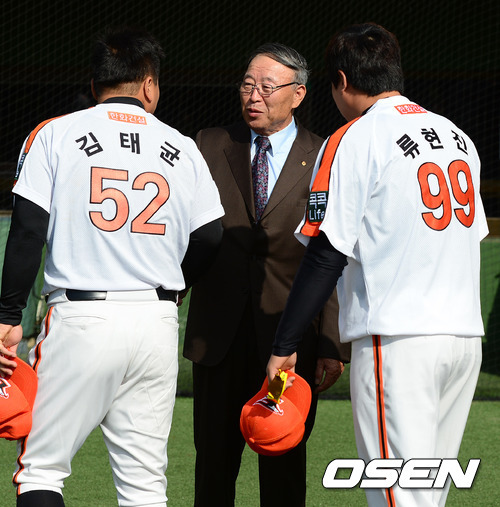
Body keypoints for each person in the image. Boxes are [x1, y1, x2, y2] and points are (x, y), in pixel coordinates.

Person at [0, 26, 224, 507]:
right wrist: (177, 289)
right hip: (156, 322)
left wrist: (7, 314)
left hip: (82, 318)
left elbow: (27, 232)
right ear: (149, 84)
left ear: (95, 81)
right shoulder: (181, 146)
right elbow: (210, 235)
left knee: (41, 470)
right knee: (145, 486)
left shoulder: (55, 133)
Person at [267, 23, 488, 507]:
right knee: (426, 495)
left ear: (342, 81)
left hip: (399, 342)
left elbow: (326, 253)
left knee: (399, 497)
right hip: (463, 341)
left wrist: (285, 344)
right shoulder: (458, 137)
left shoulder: (353, 138)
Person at [183, 42, 350, 507]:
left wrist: (331, 343)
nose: (253, 96)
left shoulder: (326, 154)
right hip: (217, 336)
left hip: (289, 342)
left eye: (267, 87)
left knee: (283, 467)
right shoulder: (208, 144)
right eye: (247, 85)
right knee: (212, 466)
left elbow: (332, 252)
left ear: (298, 94)